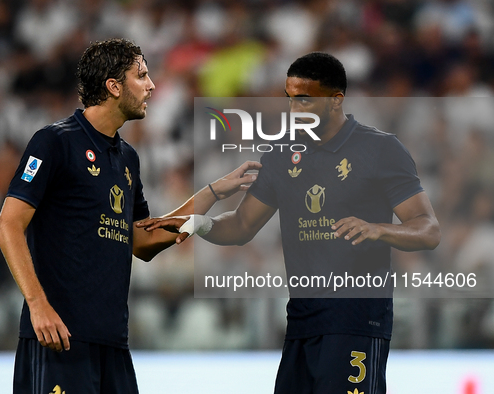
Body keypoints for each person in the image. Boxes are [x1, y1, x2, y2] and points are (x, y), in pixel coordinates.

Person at [138, 52, 441, 394]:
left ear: (336, 100)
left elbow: (428, 229)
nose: (295, 110)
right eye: (290, 100)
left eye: (305, 100)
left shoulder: (380, 149)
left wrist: (380, 229)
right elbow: (241, 225)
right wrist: (200, 223)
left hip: (355, 322)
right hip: (300, 324)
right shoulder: (283, 155)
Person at [0, 38, 260, 394]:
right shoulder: (54, 142)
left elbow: (143, 240)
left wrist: (211, 194)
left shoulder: (128, 159)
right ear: (114, 86)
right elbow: (8, 225)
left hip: (113, 343)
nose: (151, 86)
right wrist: (38, 305)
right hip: (58, 339)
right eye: (142, 76)